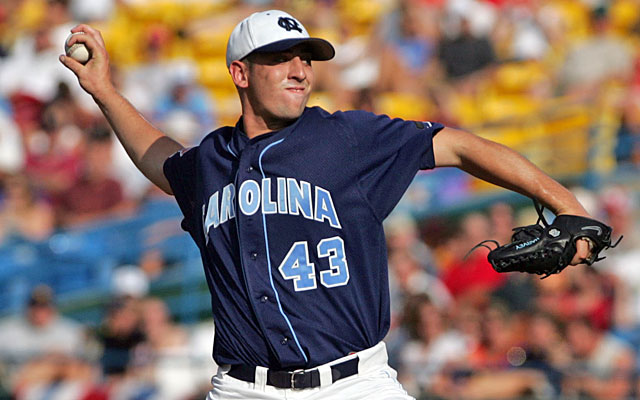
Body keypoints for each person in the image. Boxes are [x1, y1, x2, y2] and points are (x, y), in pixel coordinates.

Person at [60, 9, 596, 400]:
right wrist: (104, 91)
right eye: (279, 58)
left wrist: (562, 200)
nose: (299, 69)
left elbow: (456, 144)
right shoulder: (210, 162)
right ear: (240, 73)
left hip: (354, 383)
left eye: (305, 58)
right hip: (245, 389)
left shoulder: (347, 138)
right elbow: (163, 163)